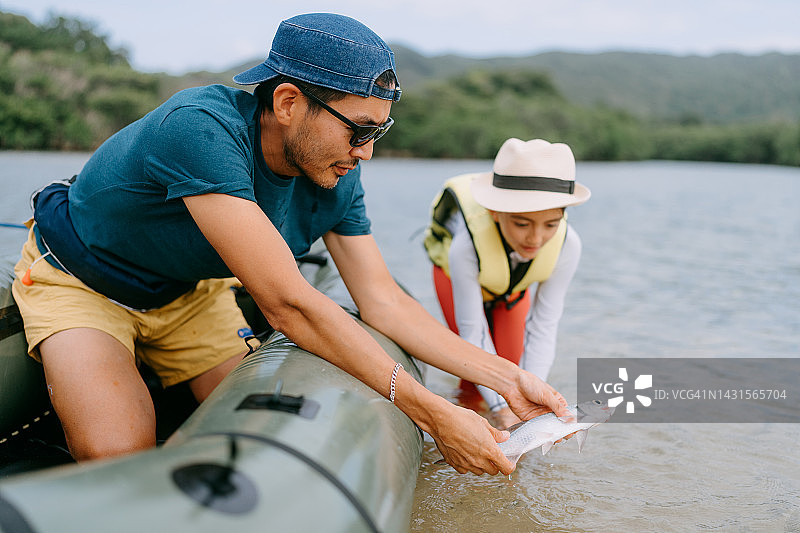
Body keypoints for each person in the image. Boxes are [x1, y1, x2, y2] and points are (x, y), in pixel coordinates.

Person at [12, 13, 571, 476]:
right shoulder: (199, 128)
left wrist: (505, 375)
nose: (367, 152)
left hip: (190, 295)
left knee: (260, 439)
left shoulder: (337, 173)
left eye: (379, 130)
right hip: (83, 282)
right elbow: (286, 302)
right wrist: (434, 414)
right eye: (359, 129)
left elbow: (383, 301)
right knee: (119, 457)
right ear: (286, 103)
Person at [424, 138, 590, 429]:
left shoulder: (569, 245)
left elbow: (544, 324)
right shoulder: (466, 245)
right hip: (454, 279)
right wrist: (502, 408)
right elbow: (472, 331)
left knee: (512, 370)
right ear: (495, 213)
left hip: (511, 289)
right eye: (522, 224)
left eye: (551, 224)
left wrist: (530, 402)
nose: (536, 239)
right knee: (476, 381)